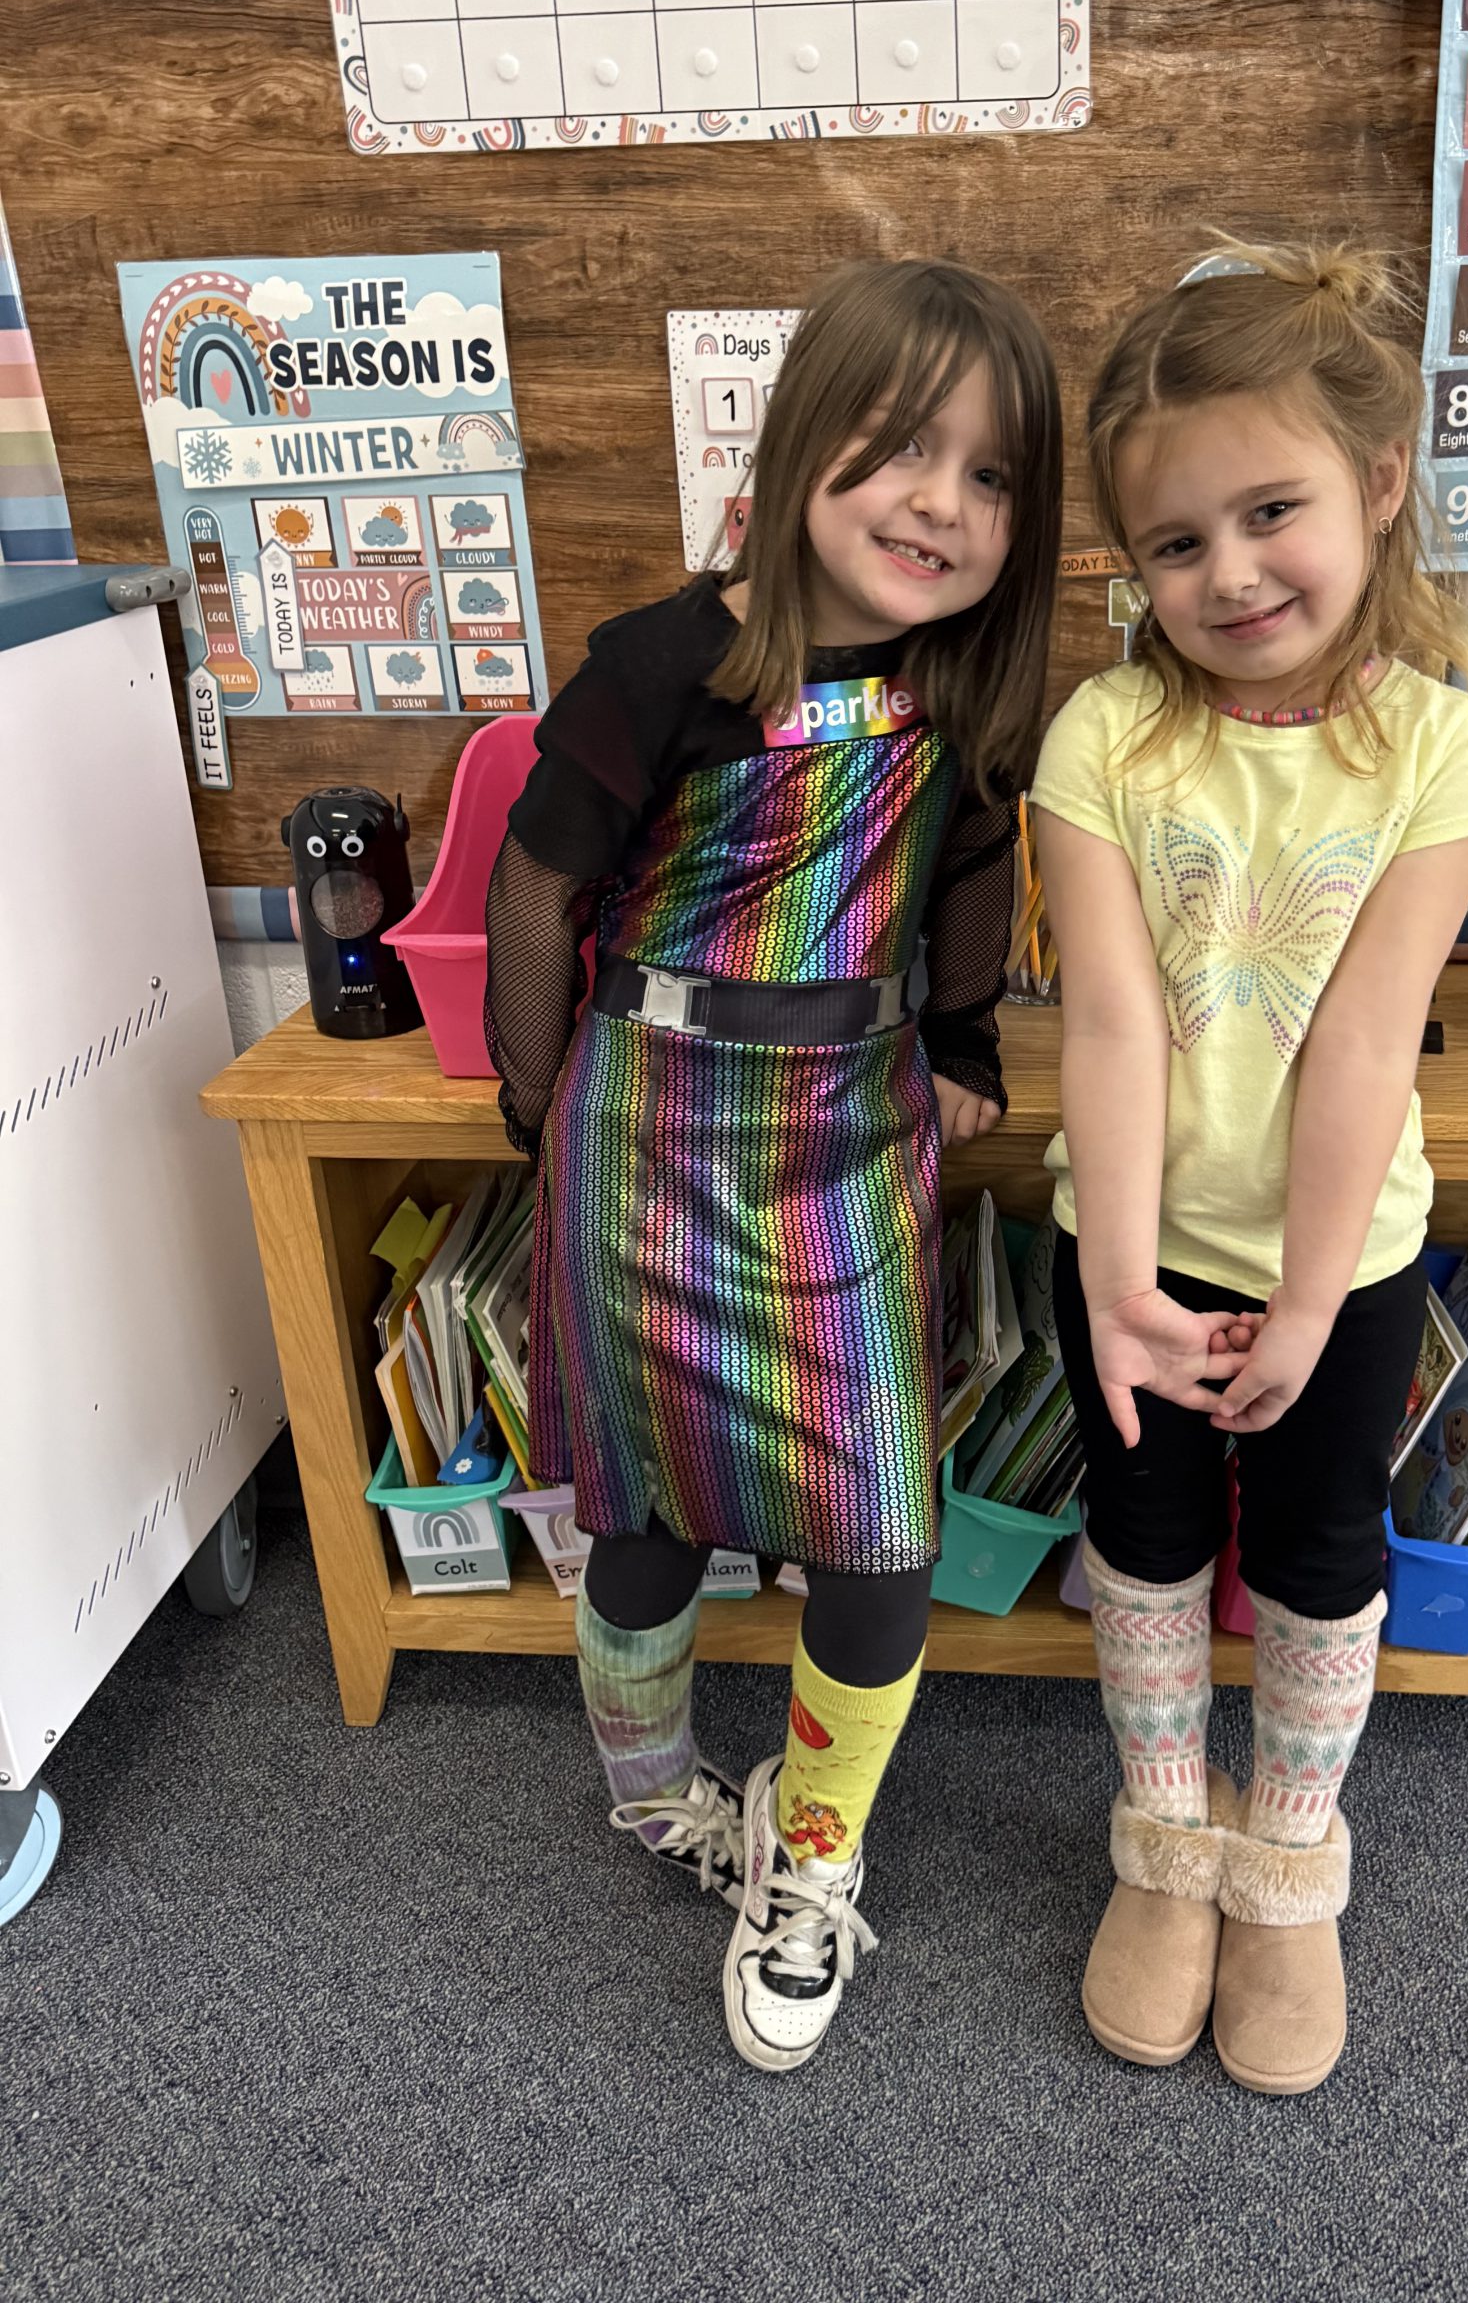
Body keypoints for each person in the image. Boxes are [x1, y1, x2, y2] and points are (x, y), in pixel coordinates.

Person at [483, 258, 1061, 2071]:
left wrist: (963, 1046)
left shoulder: (967, 688)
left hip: (850, 1141)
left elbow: (971, 882)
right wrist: (538, 1108)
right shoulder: (660, 661)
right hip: (642, 1130)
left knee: (881, 1526)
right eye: (901, 451)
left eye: (988, 480)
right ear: (802, 442)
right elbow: (533, 882)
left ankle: (810, 1859)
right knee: (644, 1511)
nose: (938, 508)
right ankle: (656, 1796)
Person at [1031, 240, 1468, 2094]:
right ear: (1131, 564)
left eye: (1273, 510)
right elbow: (1115, 1033)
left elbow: (1363, 1045)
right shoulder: (1105, 737)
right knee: (1142, 1540)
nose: (1228, 572)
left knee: (1317, 1553)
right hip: (1133, 1246)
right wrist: (1120, 1282)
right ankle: (1167, 1839)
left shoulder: (1435, 744)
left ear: (1378, 488)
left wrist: (1307, 1296)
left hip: (1345, 1254)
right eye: (1173, 541)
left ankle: (1288, 1866)